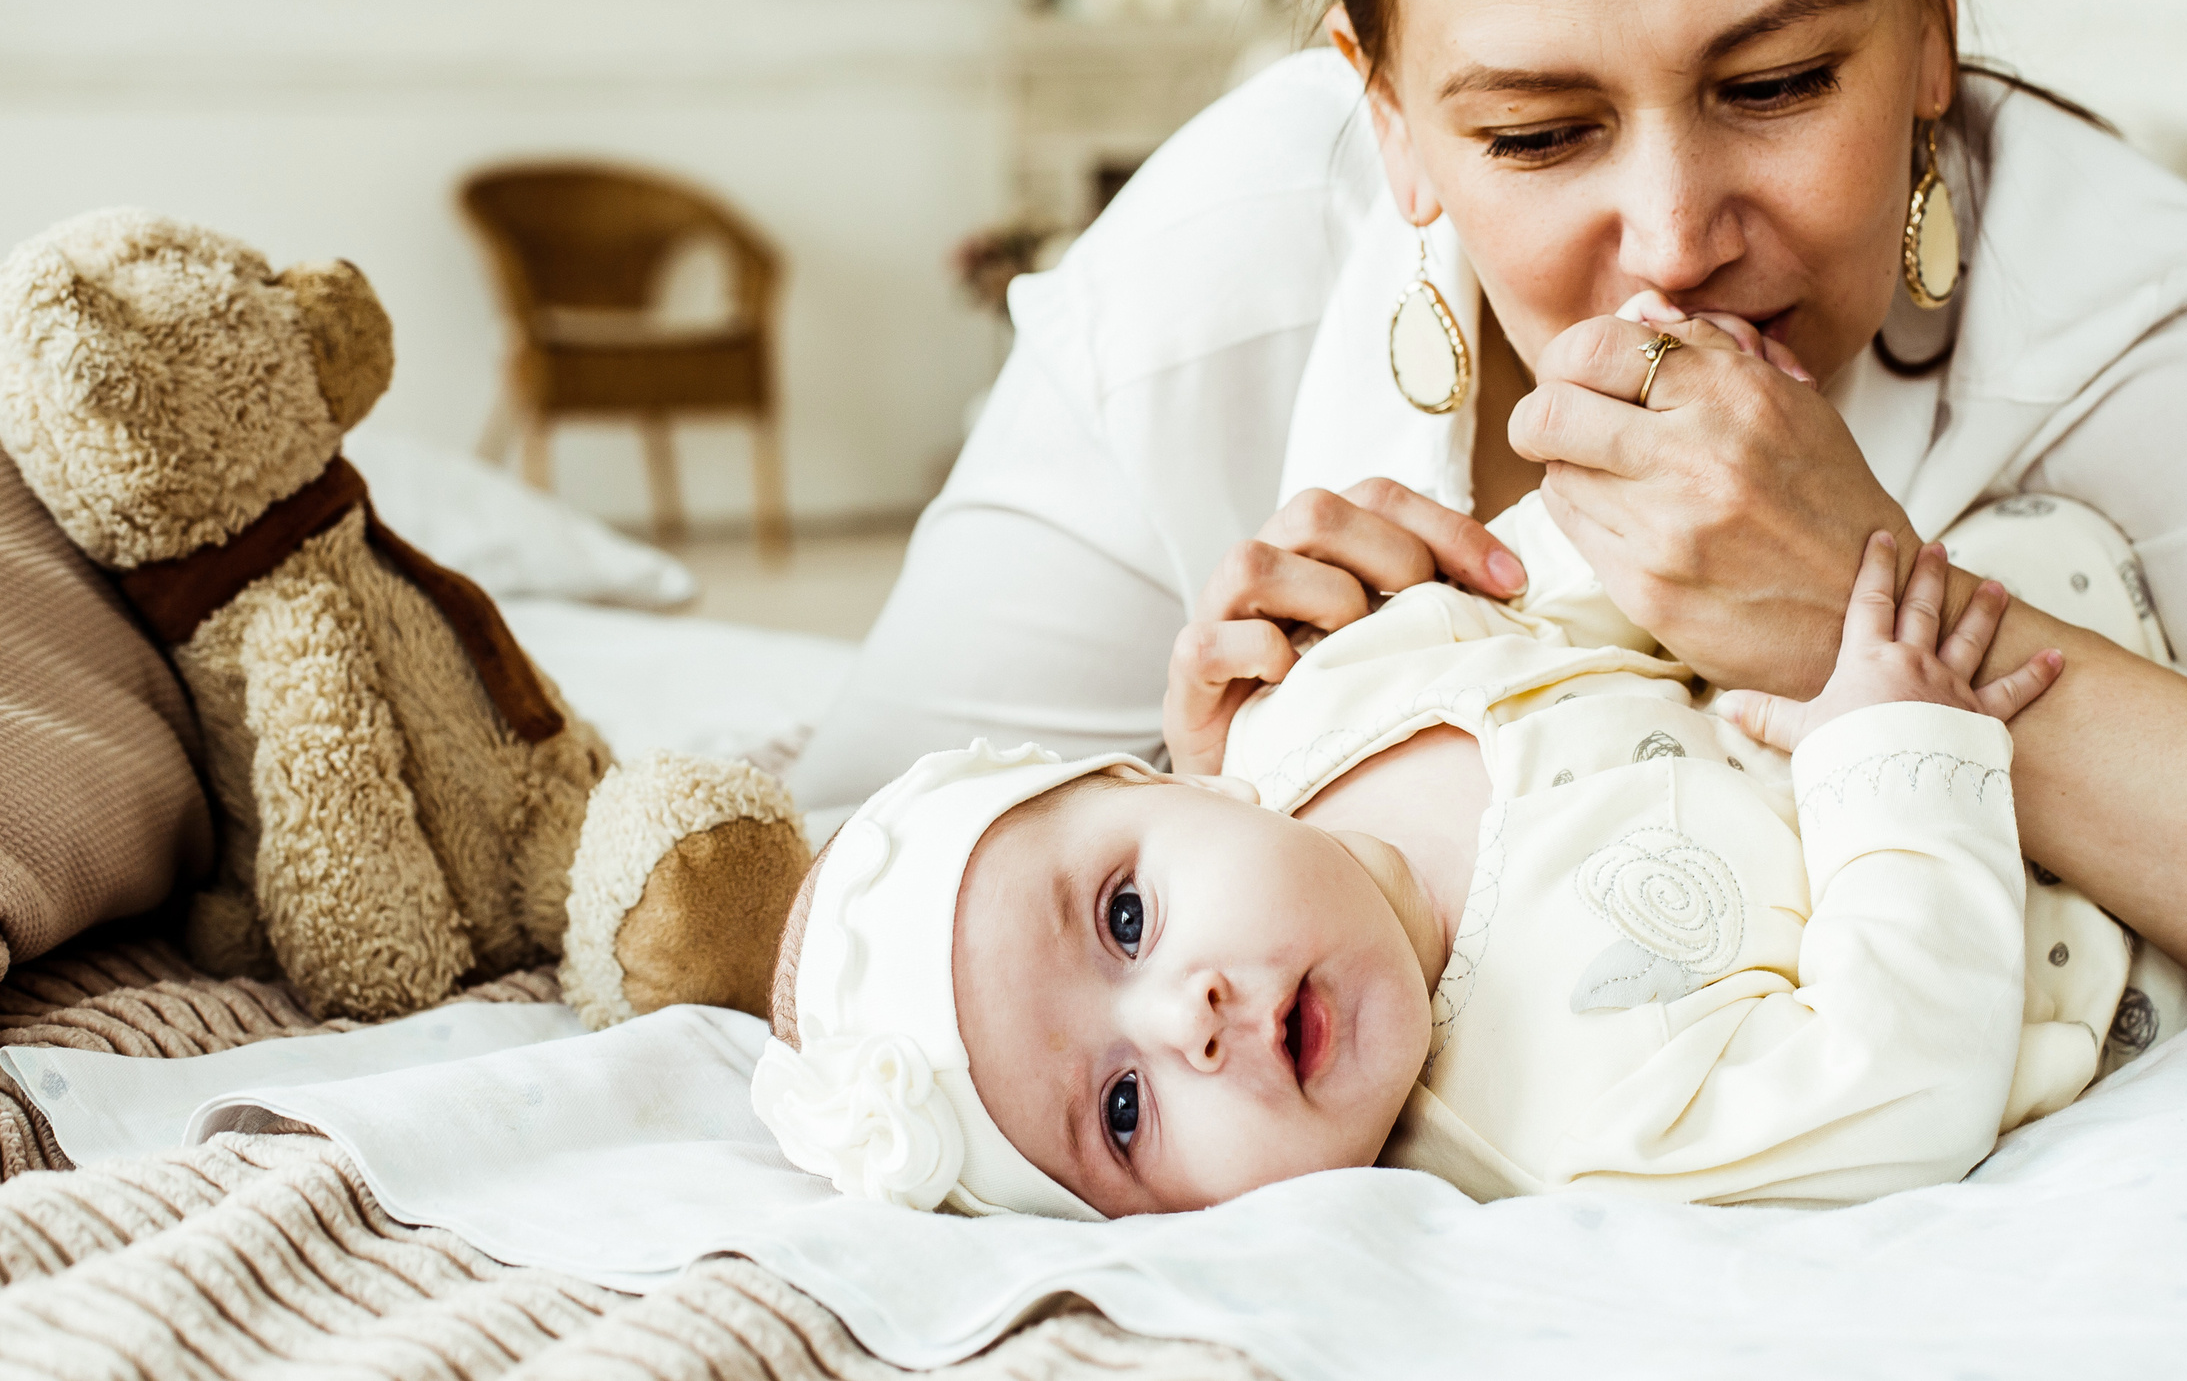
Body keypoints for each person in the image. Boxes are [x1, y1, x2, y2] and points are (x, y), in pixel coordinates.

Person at [788, 0, 2187, 1077]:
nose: (1674, 238)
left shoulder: (2129, 305)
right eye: (1537, 131)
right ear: (1385, 112)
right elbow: (838, 884)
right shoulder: (1207, 294)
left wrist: (1864, 614)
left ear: (1933, 5)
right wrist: (1196, 791)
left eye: (1775, 85)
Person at [756, 492, 2113, 1217]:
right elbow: (1896, 1087)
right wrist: (1893, 751)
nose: (1188, 1020)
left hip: (1952, 554)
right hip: (2077, 836)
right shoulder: (1567, 1135)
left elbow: (1592, 579)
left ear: (1164, 779)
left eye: (1124, 917)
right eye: (1121, 1113)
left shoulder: (1324, 695)